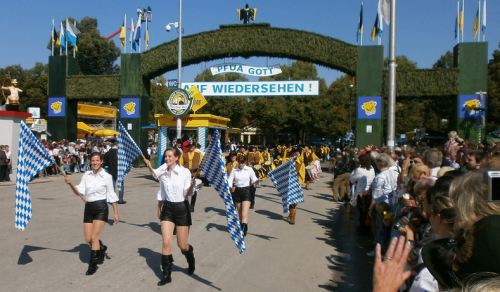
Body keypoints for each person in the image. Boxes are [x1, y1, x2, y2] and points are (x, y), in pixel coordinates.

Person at [143, 148, 195, 286]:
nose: (167, 159)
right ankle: (167, 274)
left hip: (182, 208)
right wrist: (148, 165)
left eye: (170, 156)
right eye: (165, 156)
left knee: (182, 245)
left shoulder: (185, 172)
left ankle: (190, 257)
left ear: (176, 157)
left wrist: (192, 187)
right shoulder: (163, 169)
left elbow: (187, 193)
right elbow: (154, 175)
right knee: (166, 243)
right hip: (168, 209)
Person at [64, 152, 120, 275]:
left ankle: (93, 265)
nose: (94, 163)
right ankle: (101, 247)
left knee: (94, 237)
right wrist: (70, 184)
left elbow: (111, 194)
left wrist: (116, 212)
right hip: (88, 208)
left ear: (101, 161)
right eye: (93, 161)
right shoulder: (86, 175)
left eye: (97, 160)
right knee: (88, 239)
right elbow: (79, 192)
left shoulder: (107, 176)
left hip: (101, 208)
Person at [227, 155, 259, 236]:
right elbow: (230, 181)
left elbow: (254, 179)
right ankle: (244, 225)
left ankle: (243, 230)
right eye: (240, 162)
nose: (241, 164)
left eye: (242, 163)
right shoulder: (234, 170)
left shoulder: (249, 169)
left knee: (244, 213)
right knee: (240, 213)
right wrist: (229, 186)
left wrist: (256, 181)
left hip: (246, 191)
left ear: (245, 162)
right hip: (237, 191)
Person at [179, 143, 204, 212]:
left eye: (193, 146)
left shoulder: (199, 154)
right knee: (184, 190)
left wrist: (202, 170)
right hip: (186, 174)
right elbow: (180, 164)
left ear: (195, 147)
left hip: (195, 173)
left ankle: (192, 206)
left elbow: (203, 163)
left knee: (194, 190)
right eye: (190, 146)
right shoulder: (183, 154)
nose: (191, 147)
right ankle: (184, 205)